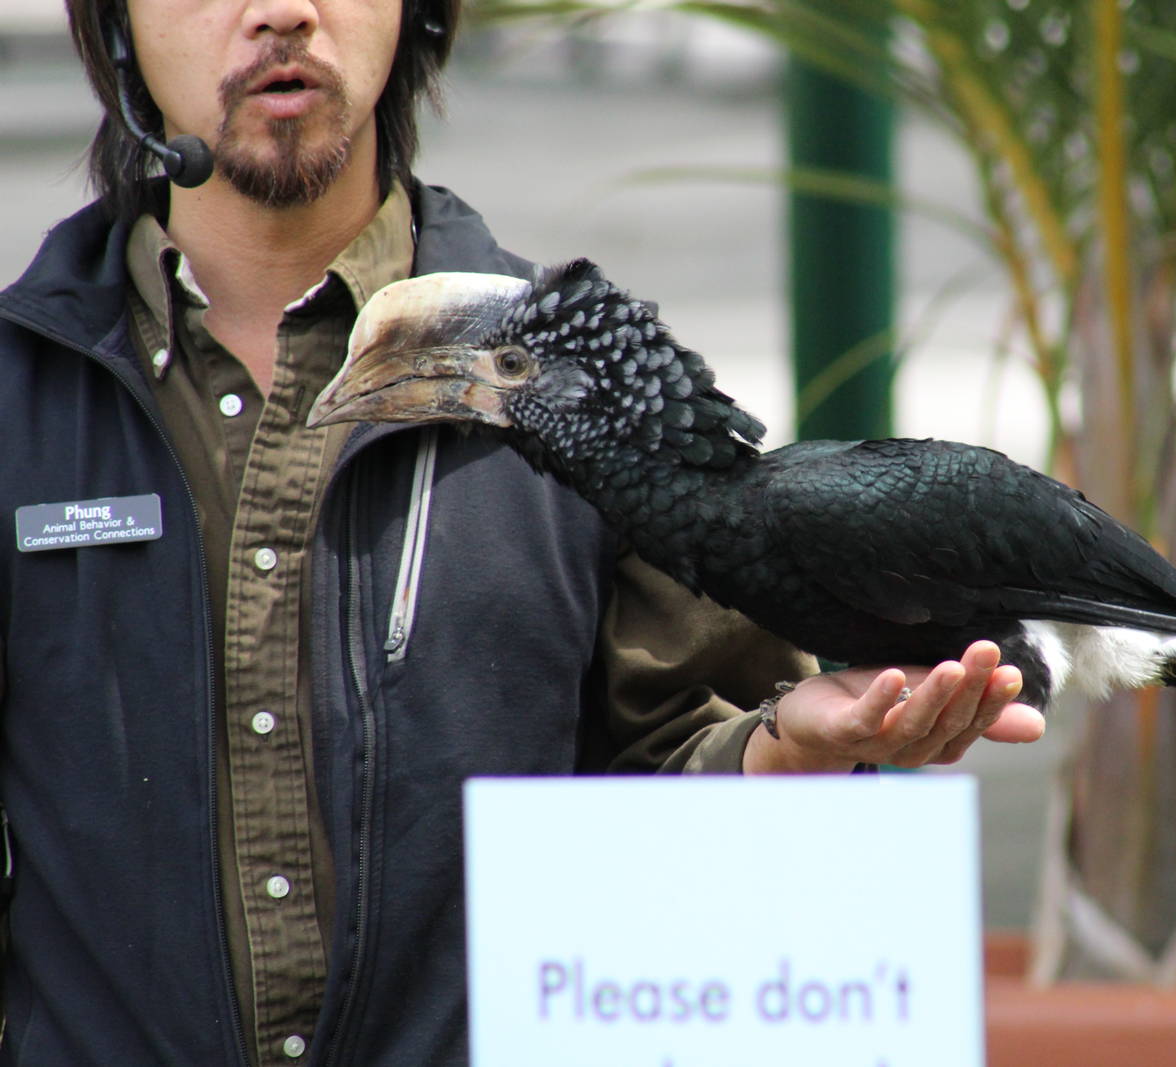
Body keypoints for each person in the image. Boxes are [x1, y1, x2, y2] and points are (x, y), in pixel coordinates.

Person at [0, 0, 1044, 1063]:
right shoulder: (19, 400)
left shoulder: (610, 397)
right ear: (112, 20)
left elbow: (693, 787)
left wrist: (790, 750)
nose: (282, 11)